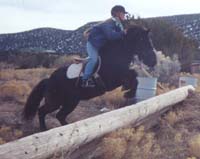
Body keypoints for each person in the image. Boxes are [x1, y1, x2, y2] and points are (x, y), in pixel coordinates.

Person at [81, 5, 128, 88]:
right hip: (93, 45)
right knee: (94, 59)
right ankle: (85, 80)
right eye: (123, 13)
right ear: (117, 13)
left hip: (102, 47)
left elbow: (120, 38)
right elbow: (110, 36)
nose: (124, 15)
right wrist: (123, 33)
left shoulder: (118, 24)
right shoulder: (108, 23)